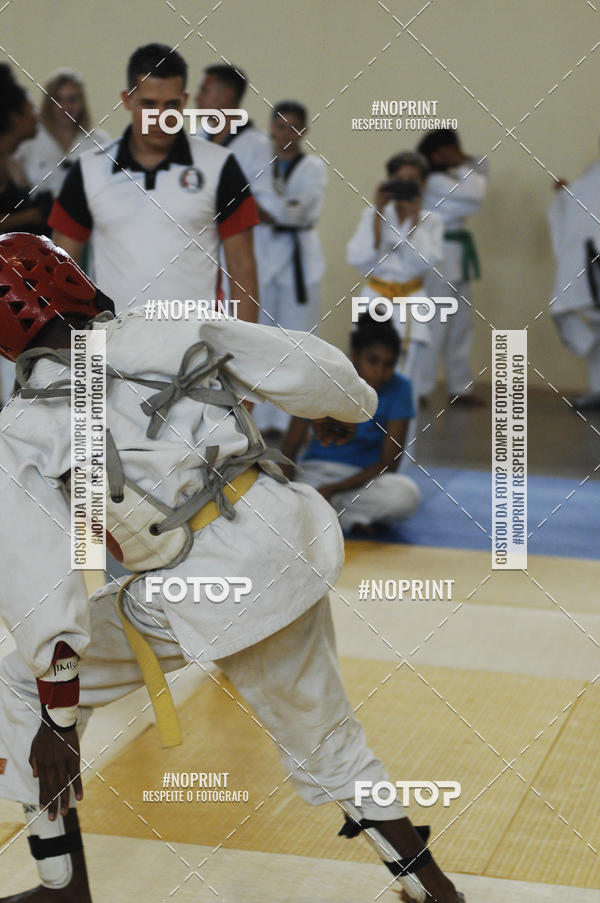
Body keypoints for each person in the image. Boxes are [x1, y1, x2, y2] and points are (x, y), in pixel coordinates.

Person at [0, 233, 464, 903]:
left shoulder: (23, 428)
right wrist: (348, 409)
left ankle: (61, 881)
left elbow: (41, 583)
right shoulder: (167, 330)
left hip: (205, 584)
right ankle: (430, 886)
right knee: (330, 738)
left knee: (21, 681)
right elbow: (309, 366)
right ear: (74, 278)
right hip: (282, 535)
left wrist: (61, 721)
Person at [48, 45, 259, 321]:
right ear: (127, 100)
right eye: (148, 104)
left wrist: (240, 355)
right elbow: (62, 275)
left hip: (198, 353)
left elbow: (243, 271)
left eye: (170, 104)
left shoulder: (221, 166)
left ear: (184, 102)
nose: (161, 117)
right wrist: (86, 360)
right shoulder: (89, 169)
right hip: (114, 351)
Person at [282, 314, 420, 532]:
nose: (380, 371)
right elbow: (290, 446)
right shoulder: (324, 378)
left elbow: (389, 463)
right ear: (354, 355)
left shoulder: (400, 388)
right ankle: (348, 518)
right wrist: (288, 491)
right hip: (316, 473)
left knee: (406, 495)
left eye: (389, 364)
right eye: (373, 361)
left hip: (364, 481)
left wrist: (335, 490)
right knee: (287, 496)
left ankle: (329, 515)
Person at [251, 100, 328, 435]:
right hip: (263, 255)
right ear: (270, 127)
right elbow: (251, 203)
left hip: (300, 261)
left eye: (294, 127)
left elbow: (300, 212)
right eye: (280, 126)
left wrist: (270, 209)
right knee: (261, 339)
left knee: (298, 342)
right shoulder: (257, 163)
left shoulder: (314, 167)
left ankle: (292, 420)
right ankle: (261, 418)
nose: (287, 133)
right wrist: (273, 208)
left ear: (305, 131)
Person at [346, 150, 444, 404]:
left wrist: (413, 222)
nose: (405, 185)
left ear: (423, 185)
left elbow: (421, 265)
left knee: (405, 382)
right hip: (375, 299)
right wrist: (378, 214)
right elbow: (357, 259)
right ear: (388, 181)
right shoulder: (371, 214)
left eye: (413, 180)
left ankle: (403, 444)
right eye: (399, 179)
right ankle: (363, 440)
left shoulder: (432, 221)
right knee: (365, 379)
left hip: (411, 301)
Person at [417, 128, 488, 406]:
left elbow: (475, 191)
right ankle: (421, 387)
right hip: (439, 254)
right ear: (438, 154)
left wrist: (463, 161)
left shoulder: (452, 177)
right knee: (435, 324)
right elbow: (476, 195)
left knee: (461, 325)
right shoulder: (432, 180)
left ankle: (460, 387)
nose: (460, 155)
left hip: (457, 254)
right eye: (453, 150)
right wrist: (464, 165)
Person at [0, 63, 51, 405]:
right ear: (16, 116)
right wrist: (34, 215)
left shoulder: (12, 161)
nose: (36, 116)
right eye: (31, 109)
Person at [548, 158, 600, 410]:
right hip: (592, 260)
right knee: (591, 322)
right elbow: (587, 206)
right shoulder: (594, 171)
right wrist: (566, 196)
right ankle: (598, 389)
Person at [16, 69, 111, 200]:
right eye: (58, 100)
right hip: (38, 217)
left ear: (82, 102)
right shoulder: (28, 141)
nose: (65, 107)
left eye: (72, 99)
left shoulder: (100, 141)